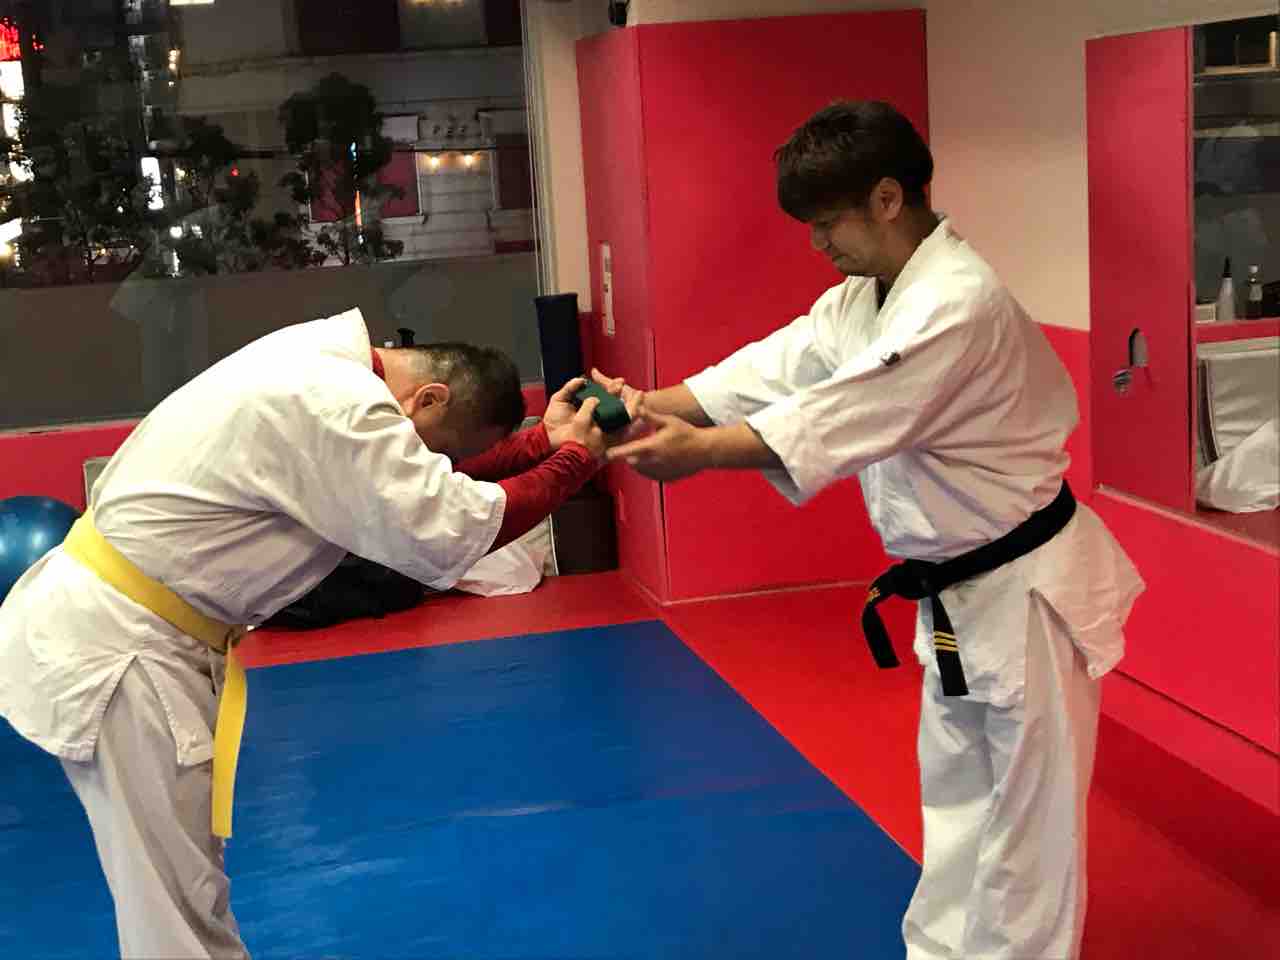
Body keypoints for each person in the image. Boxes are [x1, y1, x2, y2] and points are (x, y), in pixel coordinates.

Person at [595, 101, 1144, 960]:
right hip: (955, 594)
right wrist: (642, 404)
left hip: (1024, 594)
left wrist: (697, 453)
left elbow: (849, 412)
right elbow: (771, 369)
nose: (818, 244)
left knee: (1028, 825)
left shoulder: (956, 303)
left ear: (888, 198)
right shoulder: (864, 300)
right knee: (958, 801)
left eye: (828, 223)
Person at [0, 306, 613, 959]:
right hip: (125, 648)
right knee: (172, 907)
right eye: (439, 448)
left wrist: (542, 445)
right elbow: (450, 522)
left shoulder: (322, 367)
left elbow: (424, 482)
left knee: (185, 890)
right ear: (428, 398)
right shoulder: (337, 404)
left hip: (138, 632)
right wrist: (575, 461)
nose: (432, 462)